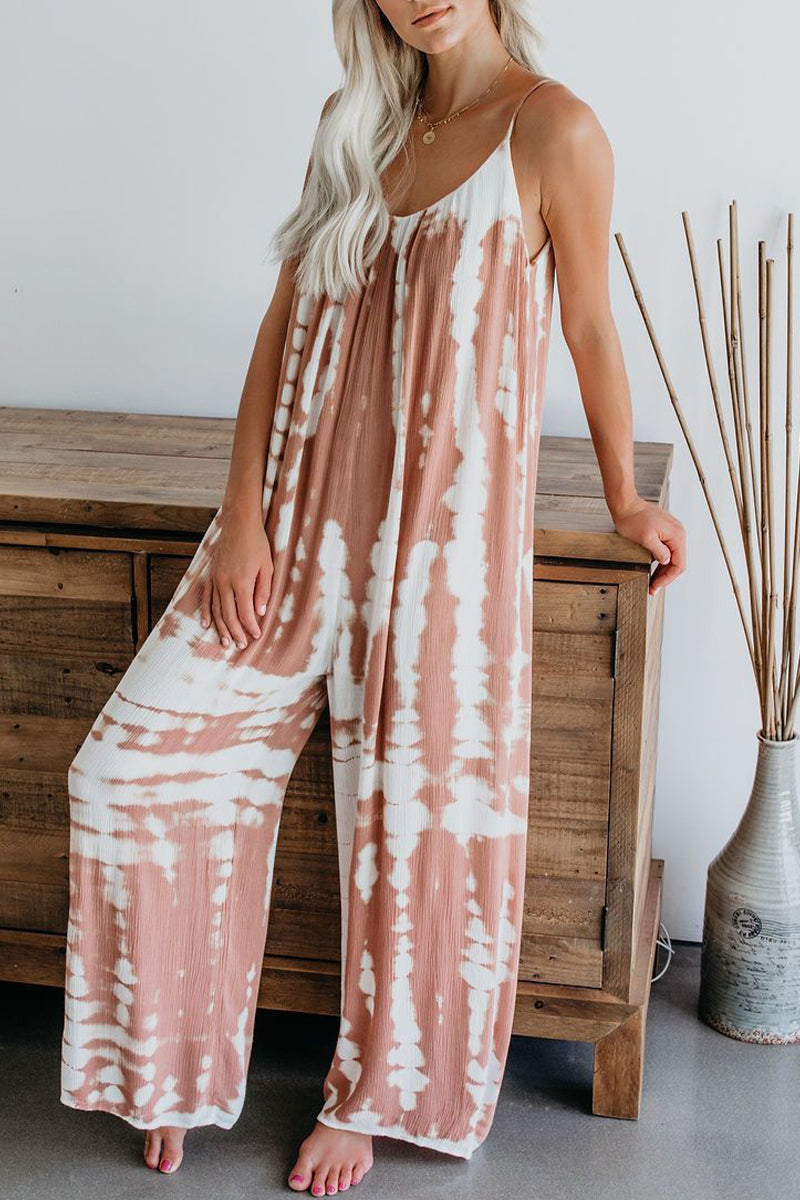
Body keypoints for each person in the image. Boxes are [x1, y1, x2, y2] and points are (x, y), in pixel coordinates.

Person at [59, 0, 687, 1194]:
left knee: (420, 831)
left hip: (435, 553)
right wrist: (242, 518)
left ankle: (372, 1096)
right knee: (126, 775)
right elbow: (281, 323)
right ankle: (171, 1066)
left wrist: (622, 494)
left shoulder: (553, 129)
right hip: (285, 531)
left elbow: (589, 322)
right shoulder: (352, 124)